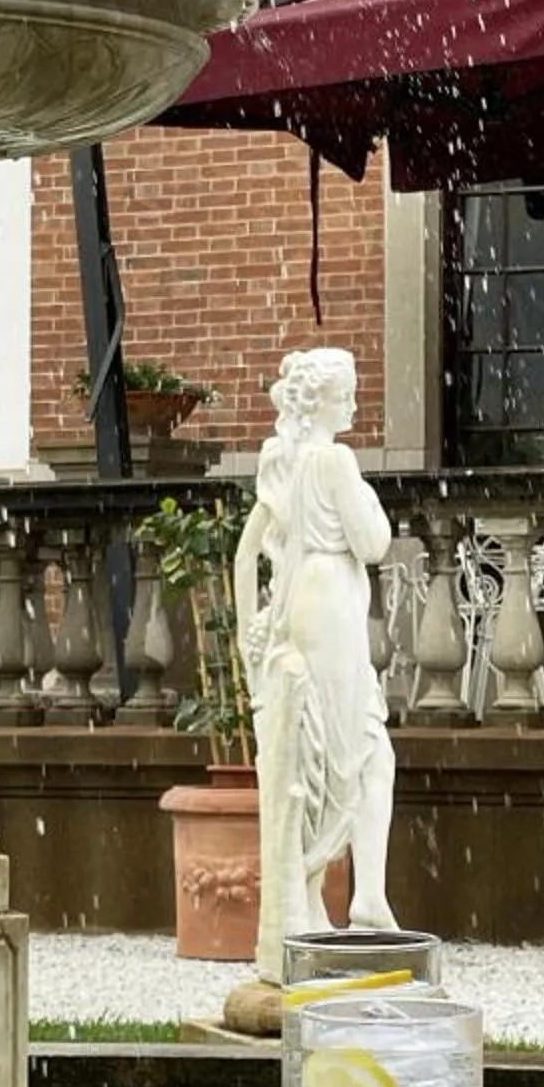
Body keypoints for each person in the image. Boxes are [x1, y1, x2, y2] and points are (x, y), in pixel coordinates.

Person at [235, 347, 398, 971]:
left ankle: (314, 899)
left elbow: (245, 557)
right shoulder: (334, 460)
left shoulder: (282, 462)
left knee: (315, 753)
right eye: (348, 392)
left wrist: (253, 633)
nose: (356, 401)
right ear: (321, 400)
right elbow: (376, 543)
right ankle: (368, 900)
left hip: (297, 612)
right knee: (361, 749)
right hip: (330, 611)